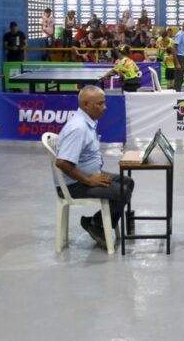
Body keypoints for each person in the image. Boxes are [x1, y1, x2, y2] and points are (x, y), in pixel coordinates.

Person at [55, 86, 135, 250]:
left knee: (128, 182)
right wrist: (89, 180)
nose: (104, 108)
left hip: (88, 175)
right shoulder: (78, 128)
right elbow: (62, 162)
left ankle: (95, 223)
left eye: (104, 103)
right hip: (74, 185)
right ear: (85, 104)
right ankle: (97, 224)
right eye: (100, 104)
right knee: (122, 191)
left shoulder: (87, 122)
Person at [172, 20, 184, 91]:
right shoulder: (180, 34)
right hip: (179, 57)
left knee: (181, 79)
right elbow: (173, 48)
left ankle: (178, 92)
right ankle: (176, 94)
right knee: (178, 79)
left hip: (182, 57)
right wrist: (177, 63)